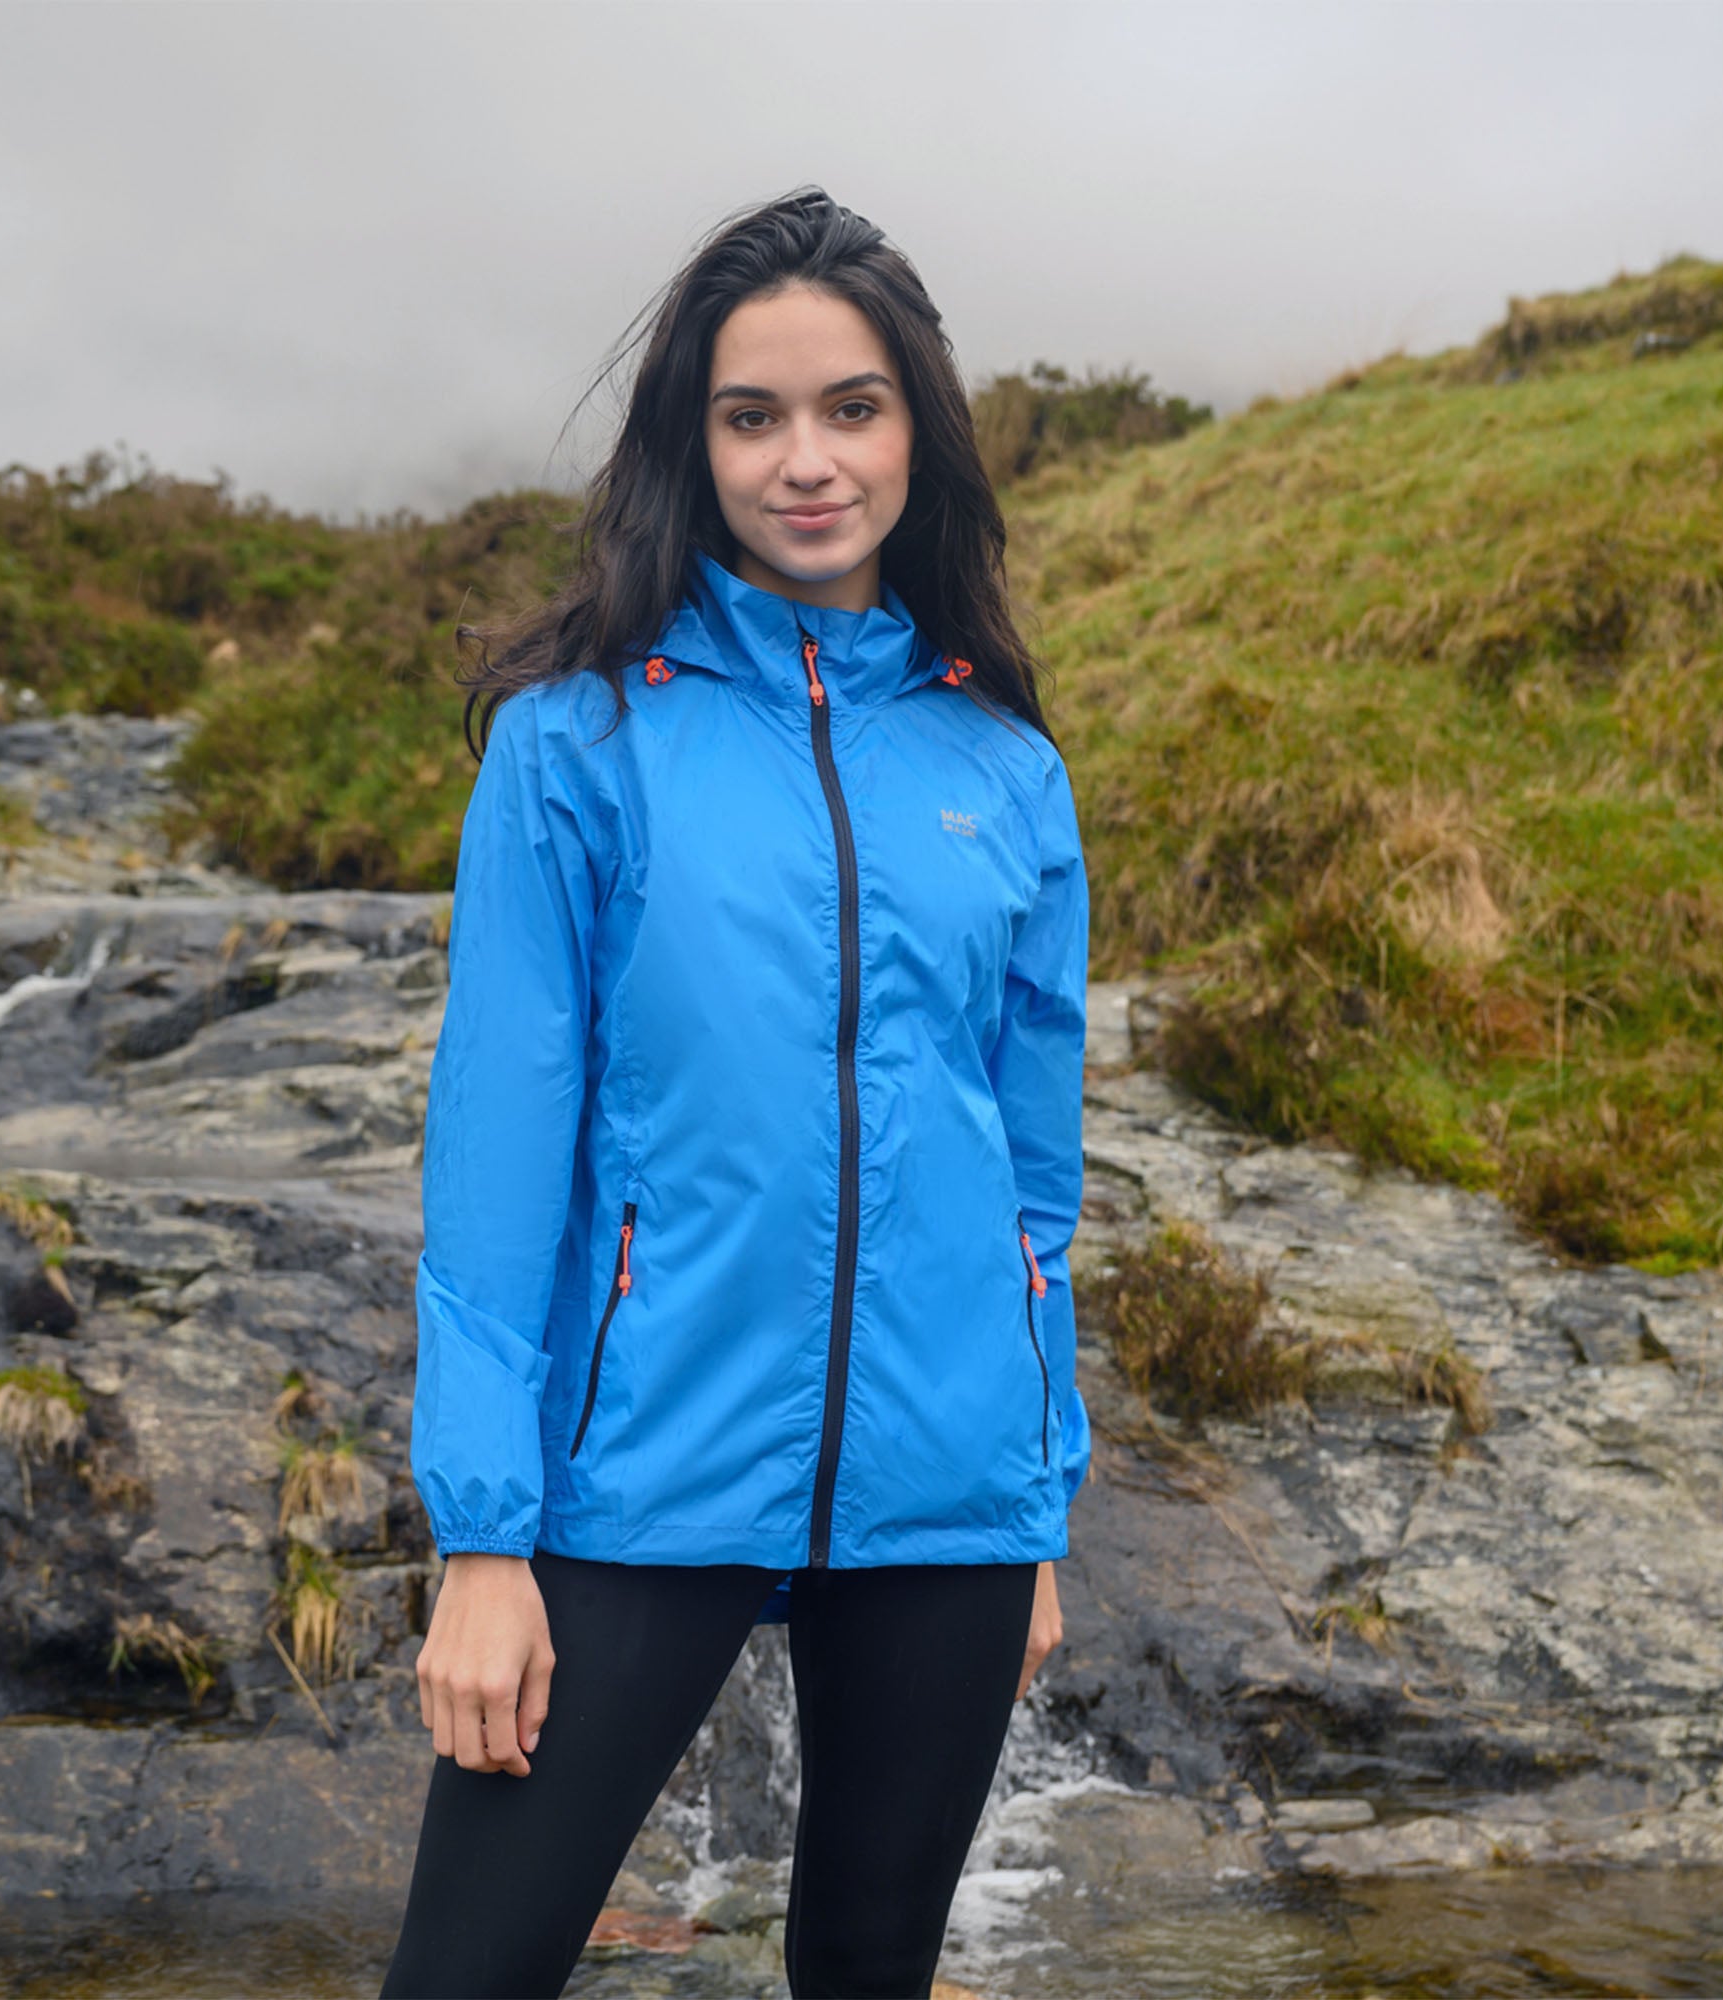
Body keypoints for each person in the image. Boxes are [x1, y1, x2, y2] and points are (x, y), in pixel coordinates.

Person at [380, 185, 1092, 2000]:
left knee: (871, 1972)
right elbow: (497, 1154)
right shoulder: (577, 739)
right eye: (752, 415)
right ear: (690, 446)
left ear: (917, 429)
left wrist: (1034, 1500)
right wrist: (483, 1534)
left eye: (852, 408)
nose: (807, 462)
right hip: (635, 1469)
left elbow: (1031, 1178)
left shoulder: (1005, 768)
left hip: (951, 1488)